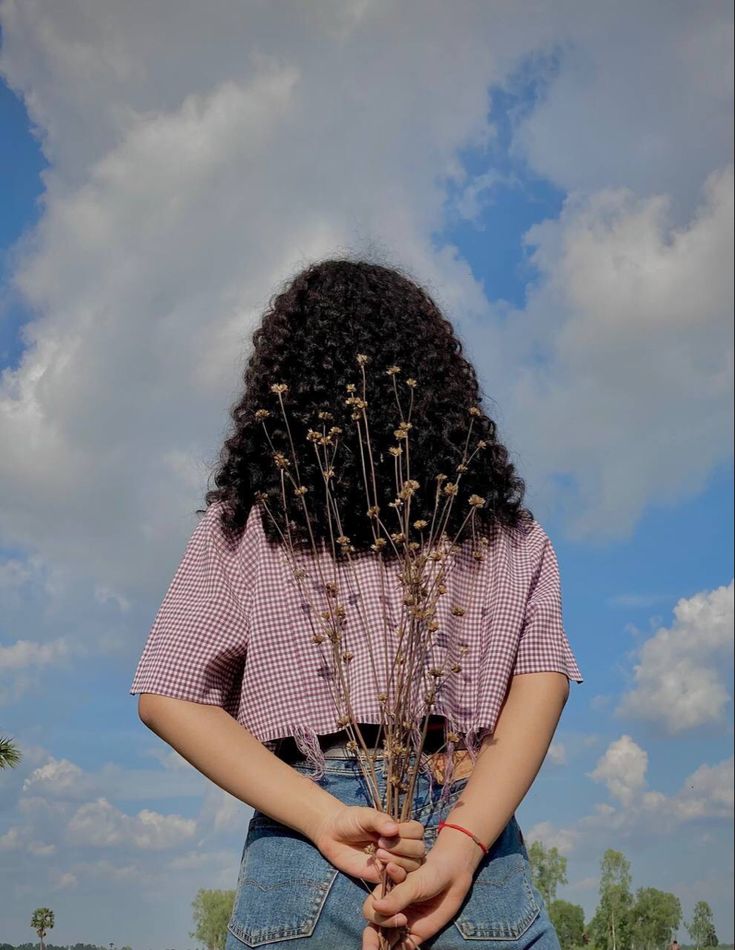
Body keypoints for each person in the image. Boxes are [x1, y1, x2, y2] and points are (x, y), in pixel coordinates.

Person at [130, 259, 584, 949]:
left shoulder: (246, 525)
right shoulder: (506, 535)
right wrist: (458, 847)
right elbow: (542, 686)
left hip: (305, 841)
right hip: (472, 827)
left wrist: (320, 817)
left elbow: (169, 694)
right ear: (438, 377)